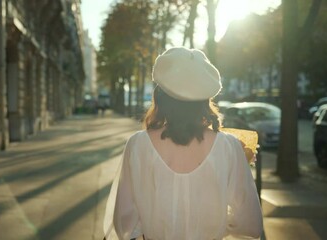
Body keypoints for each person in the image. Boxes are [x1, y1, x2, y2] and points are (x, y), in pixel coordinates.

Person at [103, 47, 263, 240]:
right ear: (205, 101)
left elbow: (124, 221)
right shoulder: (229, 146)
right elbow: (249, 222)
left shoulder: (137, 145)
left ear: (160, 97)